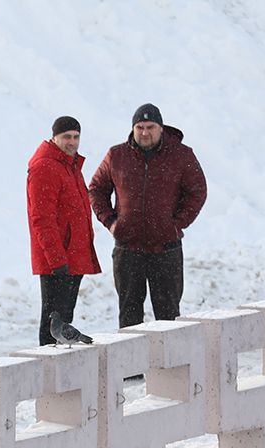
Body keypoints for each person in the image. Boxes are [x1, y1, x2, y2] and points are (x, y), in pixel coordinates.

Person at [88, 102, 207, 328]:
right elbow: (96, 189)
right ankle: (129, 364)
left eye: (150, 127)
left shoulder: (181, 155)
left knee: (169, 317)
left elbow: (197, 191)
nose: (144, 132)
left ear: (161, 128)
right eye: (140, 127)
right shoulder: (116, 155)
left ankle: (170, 364)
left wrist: (177, 223)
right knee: (129, 317)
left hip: (166, 249)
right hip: (128, 250)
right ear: (133, 129)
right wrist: (111, 222)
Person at [27, 115, 102, 344]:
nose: (72, 142)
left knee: (64, 321)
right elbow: (41, 219)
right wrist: (57, 260)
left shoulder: (69, 165)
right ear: (54, 137)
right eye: (66, 137)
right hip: (57, 261)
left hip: (71, 255)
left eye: (76, 137)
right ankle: (47, 375)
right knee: (53, 323)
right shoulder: (45, 166)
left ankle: (62, 375)